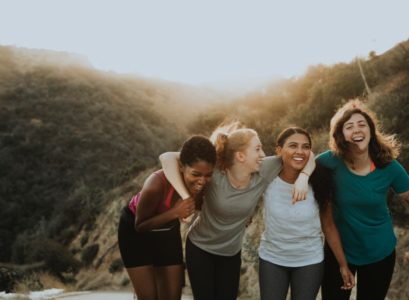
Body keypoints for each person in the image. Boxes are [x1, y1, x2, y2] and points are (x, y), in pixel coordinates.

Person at [159, 122, 315, 300]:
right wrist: (185, 196)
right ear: (241, 155)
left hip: (230, 254)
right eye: (257, 149)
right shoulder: (215, 171)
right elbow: (167, 158)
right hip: (200, 248)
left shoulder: (264, 169)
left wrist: (304, 177)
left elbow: (305, 155)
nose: (263, 155)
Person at [317, 100, 409, 300]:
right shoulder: (330, 161)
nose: (356, 130)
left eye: (362, 124)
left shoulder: (389, 166)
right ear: (341, 135)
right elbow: (303, 161)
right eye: (349, 126)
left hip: (380, 252)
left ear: (371, 130)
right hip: (339, 250)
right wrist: (343, 265)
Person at [258, 127, 354, 300]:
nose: (300, 152)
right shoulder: (268, 177)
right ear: (279, 150)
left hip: (309, 261)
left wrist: (343, 264)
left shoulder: (320, 181)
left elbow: (329, 226)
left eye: (305, 147)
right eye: (293, 146)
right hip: (272, 258)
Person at [117, 135, 216, 300]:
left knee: (172, 296)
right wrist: (175, 213)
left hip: (167, 231)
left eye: (208, 175)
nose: (202, 181)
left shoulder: (204, 184)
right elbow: (140, 225)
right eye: (196, 174)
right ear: (182, 167)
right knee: (149, 297)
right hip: (135, 233)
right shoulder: (156, 184)